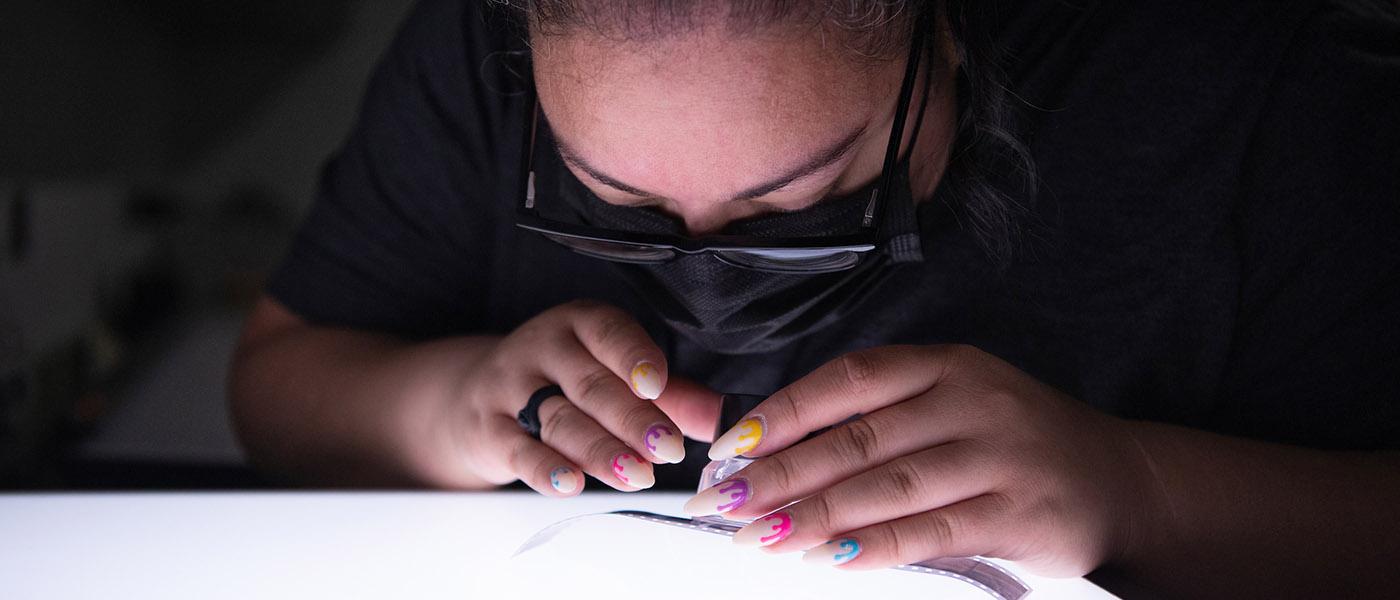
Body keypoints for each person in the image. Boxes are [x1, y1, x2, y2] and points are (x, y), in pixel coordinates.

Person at [229, 0, 1400, 596]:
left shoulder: (1256, 93)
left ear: (944, 38)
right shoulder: (475, 53)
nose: (703, 280)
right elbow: (273, 386)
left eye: (800, 204)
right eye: (609, 203)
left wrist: (1136, 489)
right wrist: (447, 403)